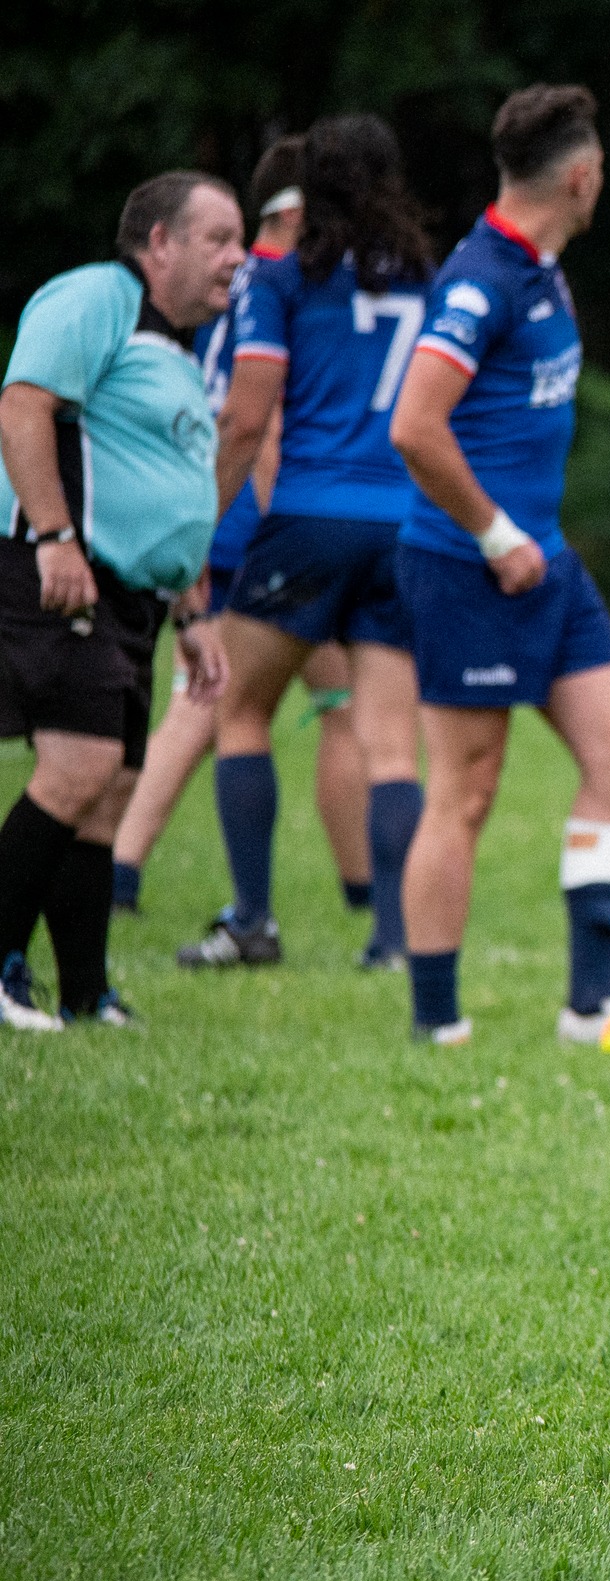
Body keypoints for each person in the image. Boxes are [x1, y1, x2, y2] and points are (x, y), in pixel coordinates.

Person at [388, 84, 610, 1045]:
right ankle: (436, 1021)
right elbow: (414, 426)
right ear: (579, 177)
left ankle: (591, 1004)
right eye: (600, 171)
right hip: (469, 564)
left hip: (547, 563)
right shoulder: (481, 280)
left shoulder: (546, 272)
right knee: (465, 789)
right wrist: (495, 534)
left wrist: (526, 540)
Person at [175, 112, 431, 972]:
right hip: (403, 525)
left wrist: (194, 534)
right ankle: (392, 939)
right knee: (390, 740)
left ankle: (252, 920)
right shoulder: (425, 279)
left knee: (240, 709)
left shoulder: (279, 278)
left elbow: (247, 419)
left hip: (309, 519)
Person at [0, 171, 240, 1029]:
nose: (237, 259)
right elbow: (22, 405)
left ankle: (85, 991)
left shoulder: (176, 344)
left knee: (111, 788)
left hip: (137, 595)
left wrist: (192, 610)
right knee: (80, 767)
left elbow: (167, 489)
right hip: (63, 572)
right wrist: (54, 535)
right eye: (219, 239)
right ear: (159, 242)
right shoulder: (98, 298)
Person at [112, 140, 375, 920]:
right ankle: (361, 898)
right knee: (262, 704)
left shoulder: (230, 282)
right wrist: (262, 525)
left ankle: (124, 871)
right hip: (258, 530)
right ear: (297, 210)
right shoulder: (280, 282)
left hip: (232, 522)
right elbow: (262, 424)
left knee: (240, 704)